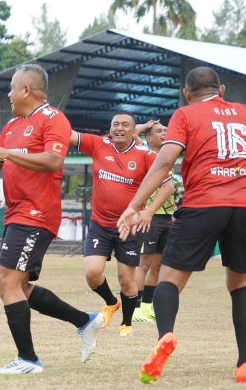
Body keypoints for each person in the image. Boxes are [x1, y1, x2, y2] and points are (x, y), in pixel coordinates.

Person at [117, 66, 246, 384]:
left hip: (204, 202)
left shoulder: (185, 115)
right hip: (244, 202)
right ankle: (245, 365)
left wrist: (134, 205)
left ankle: (166, 336)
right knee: (241, 283)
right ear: (221, 90)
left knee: (168, 278)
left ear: (187, 94)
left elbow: (165, 161)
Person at [0, 64, 103, 375]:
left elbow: (53, 160)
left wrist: (5, 154)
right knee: (19, 285)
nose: (8, 94)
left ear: (26, 90)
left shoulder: (54, 119)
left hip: (37, 213)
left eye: (11, 87)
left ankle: (28, 360)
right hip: (16, 213)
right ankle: (84, 320)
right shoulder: (12, 125)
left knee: (6, 281)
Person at [70, 113, 173, 336]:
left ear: (133, 130)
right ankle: (110, 302)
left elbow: (168, 187)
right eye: (115, 124)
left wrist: (147, 212)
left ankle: (126, 322)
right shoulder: (98, 144)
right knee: (92, 272)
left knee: (126, 280)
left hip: (128, 227)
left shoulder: (145, 155)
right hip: (99, 223)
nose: (119, 128)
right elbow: (67, 135)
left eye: (125, 125)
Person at [132, 120, 176, 324]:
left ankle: (148, 306)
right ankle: (135, 307)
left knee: (157, 265)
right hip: (149, 217)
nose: (164, 133)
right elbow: (131, 132)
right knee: (143, 264)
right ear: (148, 138)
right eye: (159, 131)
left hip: (166, 218)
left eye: (166, 130)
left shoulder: (168, 157)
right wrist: (145, 125)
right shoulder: (144, 153)